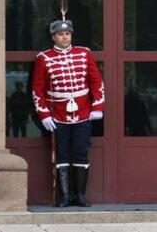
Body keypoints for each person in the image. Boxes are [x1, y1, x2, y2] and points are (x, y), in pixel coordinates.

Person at [32, 19, 105, 207]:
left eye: (67, 34)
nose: (64, 37)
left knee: (81, 153)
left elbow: (96, 82)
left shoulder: (84, 54)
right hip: (58, 113)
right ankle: (64, 197)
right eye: (60, 34)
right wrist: (44, 114)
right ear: (53, 37)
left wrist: (97, 107)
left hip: (83, 112)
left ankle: (80, 196)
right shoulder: (44, 58)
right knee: (62, 154)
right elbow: (38, 89)